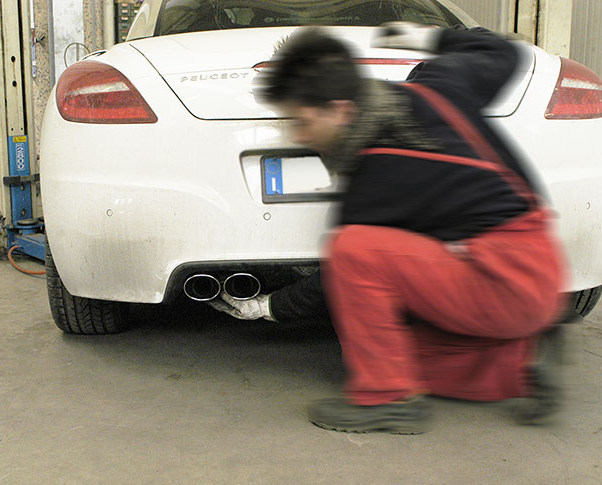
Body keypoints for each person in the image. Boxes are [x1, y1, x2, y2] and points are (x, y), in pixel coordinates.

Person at [209, 23, 568, 434]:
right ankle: (521, 362)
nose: (297, 135)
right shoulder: (437, 84)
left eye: (302, 121)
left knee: (353, 251)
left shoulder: (379, 171)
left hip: (509, 282)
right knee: (399, 352)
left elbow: (333, 278)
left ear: (340, 110)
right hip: (539, 266)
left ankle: (388, 399)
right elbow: (500, 51)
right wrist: (427, 37)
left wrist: (268, 306)